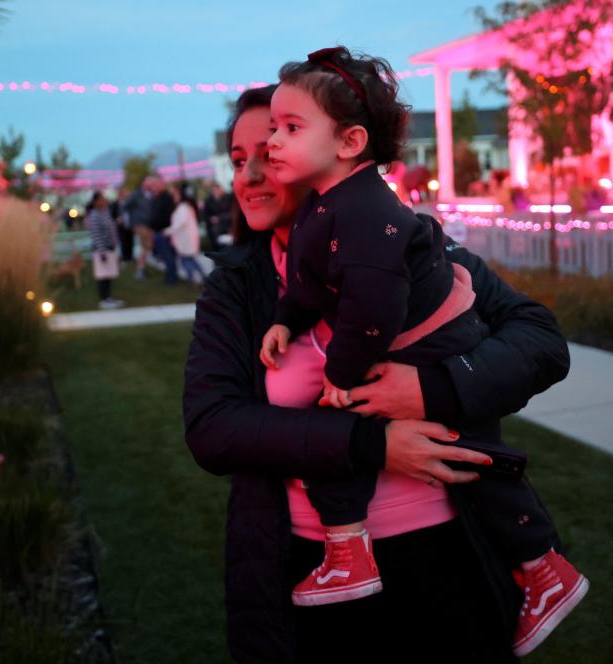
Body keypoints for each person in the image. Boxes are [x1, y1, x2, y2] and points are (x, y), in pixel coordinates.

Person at [183, 84, 576, 662]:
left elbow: (540, 340)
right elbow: (214, 427)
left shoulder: (407, 247)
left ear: (333, 150)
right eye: (240, 162)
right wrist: (372, 444)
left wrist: (430, 388)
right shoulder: (237, 289)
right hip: (310, 562)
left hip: (449, 553)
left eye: (270, 150)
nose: (250, 176)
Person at [84, 192, 124, 309]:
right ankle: (104, 299)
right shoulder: (94, 215)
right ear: (96, 202)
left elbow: (109, 228)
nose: (105, 201)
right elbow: (96, 235)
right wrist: (102, 252)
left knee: (109, 275)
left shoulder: (105, 212)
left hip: (110, 248)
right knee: (103, 276)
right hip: (102, 249)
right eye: (102, 199)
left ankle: (108, 297)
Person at [164, 187, 204, 285]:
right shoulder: (182, 207)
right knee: (189, 259)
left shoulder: (183, 208)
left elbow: (180, 223)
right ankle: (200, 278)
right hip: (184, 238)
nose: (174, 197)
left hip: (187, 238)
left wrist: (168, 231)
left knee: (186, 260)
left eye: (176, 195)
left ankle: (195, 279)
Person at [148, 179, 179, 285]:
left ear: (162, 185)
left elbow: (167, 217)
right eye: (153, 185)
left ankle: (172, 279)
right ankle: (170, 277)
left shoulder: (166, 198)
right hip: (157, 231)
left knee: (168, 256)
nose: (153, 187)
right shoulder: (156, 198)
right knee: (165, 256)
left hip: (164, 232)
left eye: (156, 185)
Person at [123, 177, 154, 280]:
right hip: (140, 225)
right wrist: (132, 219)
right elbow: (125, 206)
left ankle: (142, 268)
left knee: (146, 247)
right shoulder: (136, 194)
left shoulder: (150, 194)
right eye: (148, 183)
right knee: (146, 246)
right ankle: (140, 270)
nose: (150, 185)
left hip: (149, 225)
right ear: (143, 183)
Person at [202, 182, 232, 251]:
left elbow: (231, 213)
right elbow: (205, 215)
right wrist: (211, 219)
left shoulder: (227, 198)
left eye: (218, 190)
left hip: (227, 228)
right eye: (215, 190)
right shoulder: (208, 201)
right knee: (217, 248)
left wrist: (219, 218)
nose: (217, 192)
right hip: (214, 230)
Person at [112, 187, 135, 262]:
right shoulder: (115, 203)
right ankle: (125, 257)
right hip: (120, 225)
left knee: (130, 240)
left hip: (129, 224)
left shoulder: (129, 202)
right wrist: (117, 220)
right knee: (123, 241)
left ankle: (130, 256)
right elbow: (113, 214)